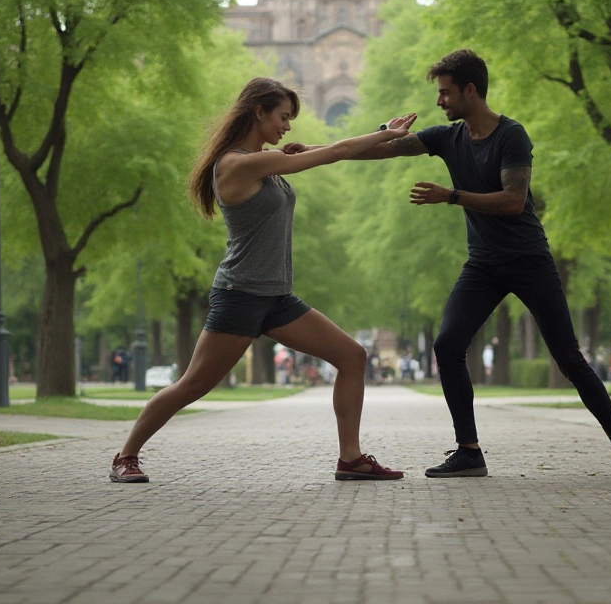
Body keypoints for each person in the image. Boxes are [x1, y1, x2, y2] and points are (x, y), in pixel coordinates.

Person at [328, 50, 611, 478]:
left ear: (470, 90)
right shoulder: (448, 137)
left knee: (570, 359)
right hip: (483, 265)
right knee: (447, 345)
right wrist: (312, 153)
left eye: (445, 93)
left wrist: (452, 196)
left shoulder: (511, 136)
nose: (439, 101)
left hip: (529, 261)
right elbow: (384, 151)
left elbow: (514, 201)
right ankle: (469, 451)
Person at [109, 77, 414, 484]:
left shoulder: (263, 160)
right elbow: (336, 152)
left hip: (277, 298)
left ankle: (351, 458)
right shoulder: (237, 164)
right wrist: (382, 133)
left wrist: (384, 143)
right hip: (241, 295)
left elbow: (336, 154)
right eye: (283, 117)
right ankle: (125, 456)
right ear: (258, 112)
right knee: (192, 385)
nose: (287, 126)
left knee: (352, 356)